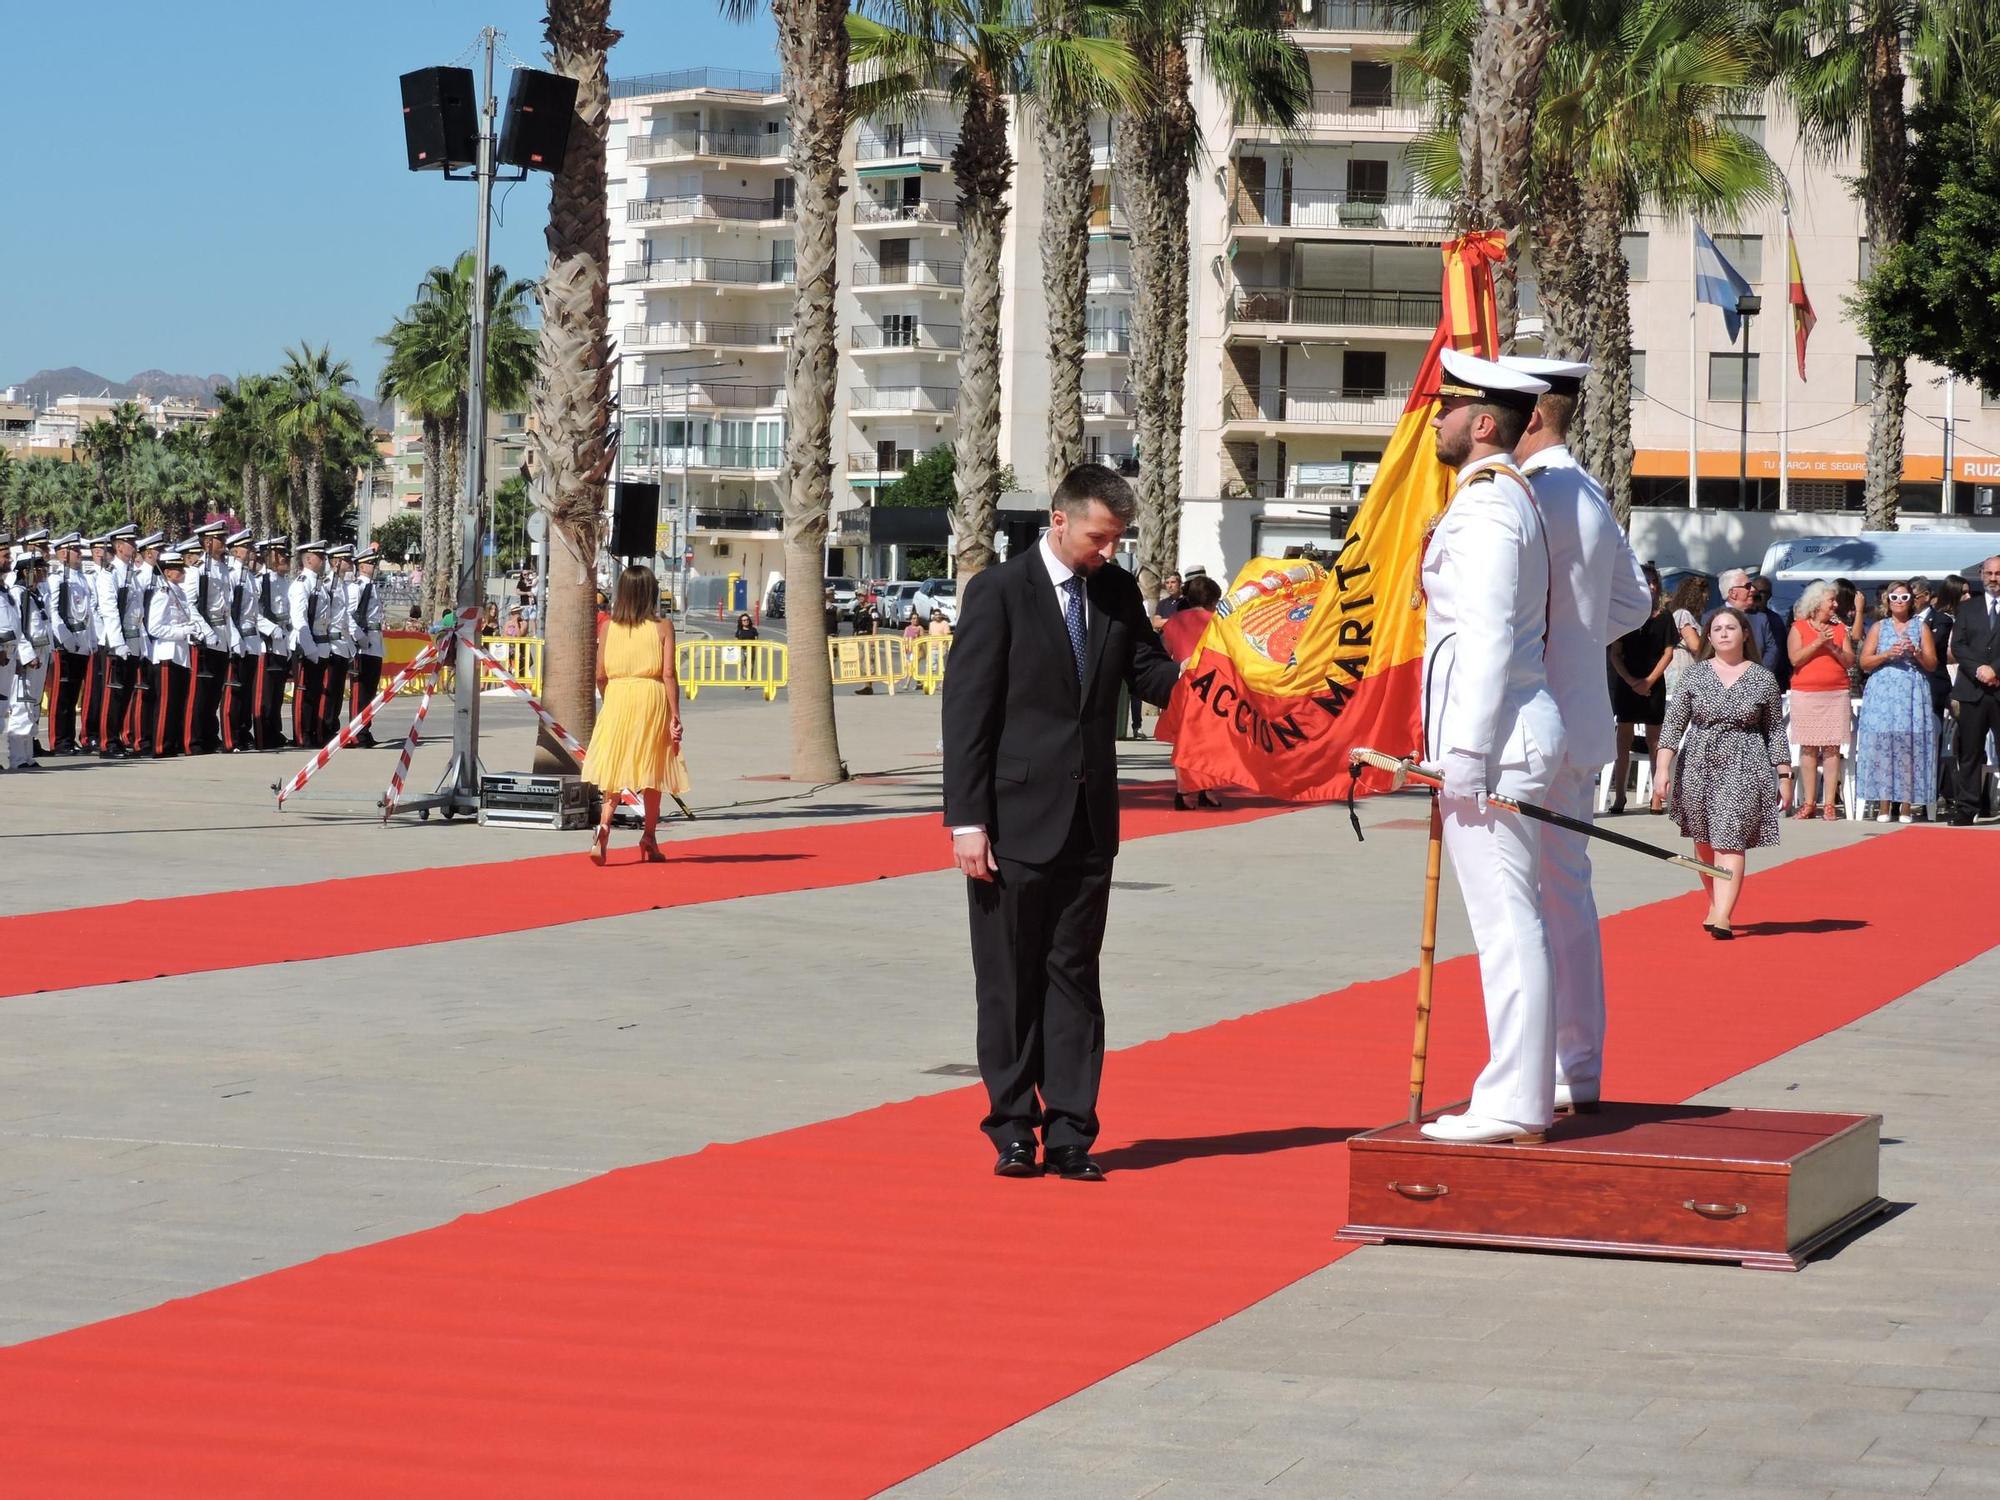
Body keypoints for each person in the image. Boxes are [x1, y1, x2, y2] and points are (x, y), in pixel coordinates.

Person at [942, 464, 1183, 1181]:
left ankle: (1073, 1133)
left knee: (1076, 979)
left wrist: (1212, 673)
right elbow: (968, 717)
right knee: (1009, 980)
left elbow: (1147, 672)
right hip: (1010, 822)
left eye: (1117, 539)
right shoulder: (998, 594)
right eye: (1098, 537)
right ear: (1059, 520)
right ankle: (1013, 1129)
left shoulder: (1112, 591)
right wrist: (967, 821)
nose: (1108, 552)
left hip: (1088, 821)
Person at [1405, 351, 1564, 1145]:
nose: (1435, 419)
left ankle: (1514, 1100)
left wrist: (1463, 753)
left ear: (1485, 423)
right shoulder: (1486, 498)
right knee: (1509, 920)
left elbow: (1490, 637)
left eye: (1447, 408)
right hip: (1496, 737)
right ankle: (1519, 1091)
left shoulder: (1490, 506)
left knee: (1508, 924)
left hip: (1496, 743)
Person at [1503, 354, 1655, 1115]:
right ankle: (1577, 1067)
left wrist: (1551, 637)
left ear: (1530, 415)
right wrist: (1577, 636)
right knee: (1566, 897)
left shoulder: (1530, 494)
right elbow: (1632, 602)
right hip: (1579, 715)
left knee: (1519, 903)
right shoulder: (1586, 490)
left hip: (1530, 722)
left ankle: (1532, 1074)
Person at [1655, 607, 1789, 938]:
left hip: (1745, 763)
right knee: (1703, 839)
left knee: (1729, 838)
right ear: (1709, 637)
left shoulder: (1762, 678)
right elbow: (1673, 725)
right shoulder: (1694, 676)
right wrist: (1661, 768)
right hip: (1698, 764)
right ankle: (1716, 901)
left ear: (1745, 633)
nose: (1724, 633)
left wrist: (1784, 775)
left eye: (1731, 627)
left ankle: (1725, 915)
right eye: (1717, 629)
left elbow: (1774, 730)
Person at [582, 564, 687, 866]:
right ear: (651, 593)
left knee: (615, 763)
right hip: (651, 696)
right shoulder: (662, 627)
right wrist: (675, 715)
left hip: (617, 697)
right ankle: (649, 837)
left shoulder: (608, 627)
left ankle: (604, 824)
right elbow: (668, 674)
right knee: (652, 768)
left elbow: (600, 675)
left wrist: (610, 700)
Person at [1855, 580, 1938, 822]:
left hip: (1910, 691)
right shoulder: (1878, 628)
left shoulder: (1920, 627)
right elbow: (1864, 662)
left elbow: (1932, 664)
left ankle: (1905, 806)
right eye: (1895, 597)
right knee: (1883, 745)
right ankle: (1883, 805)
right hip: (1883, 692)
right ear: (1887, 601)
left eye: (1904, 597)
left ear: (1911, 601)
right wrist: (1886, 654)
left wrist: (1916, 653)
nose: (1899, 602)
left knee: (1907, 746)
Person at [1787, 579, 1856, 820]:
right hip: (1806, 693)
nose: (1835, 605)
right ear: (1817, 603)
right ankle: (1808, 803)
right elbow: (1795, 659)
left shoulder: (1839, 629)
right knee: (1807, 747)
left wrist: (1833, 647)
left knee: (1831, 748)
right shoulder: (1798, 628)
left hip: (1835, 693)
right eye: (1831, 600)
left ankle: (1828, 804)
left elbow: (1849, 661)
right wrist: (1818, 642)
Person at [1606, 566, 1673, 814]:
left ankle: (1657, 796)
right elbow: (1615, 653)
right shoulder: (1625, 614)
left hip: (1653, 683)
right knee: (1623, 739)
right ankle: (1620, 795)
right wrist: (1632, 681)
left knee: (1655, 740)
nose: (1652, 586)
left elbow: (1668, 652)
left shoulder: (1665, 617)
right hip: (1627, 681)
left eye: (1654, 581)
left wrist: (1648, 681)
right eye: (1647, 581)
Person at [1158, 572, 1224, 810]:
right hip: (1211, 687)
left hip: (1181, 685)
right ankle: (1207, 789)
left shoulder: (1174, 621)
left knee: (1183, 742)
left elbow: (1164, 652)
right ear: (1212, 600)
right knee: (1210, 740)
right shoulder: (1216, 622)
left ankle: (1183, 791)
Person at [1947, 555, 2000, 825]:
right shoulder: (1968, 609)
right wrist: (1979, 669)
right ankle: (1967, 808)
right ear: (1981, 575)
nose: (1993, 578)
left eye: (1998, 573)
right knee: (1969, 753)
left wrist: (1995, 670)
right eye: (1989, 573)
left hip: (1999, 689)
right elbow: (1959, 645)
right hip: (1971, 690)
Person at [146, 548, 208, 757]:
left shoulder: (178, 592)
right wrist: (182, 632)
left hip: (181, 654)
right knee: (165, 703)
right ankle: (160, 746)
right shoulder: (162, 593)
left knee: (177, 702)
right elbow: (154, 627)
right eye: (177, 568)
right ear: (168, 572)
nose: (182, 571)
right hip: (167, 653)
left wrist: (193, 631)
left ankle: (172, 743)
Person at [254, 537, 295, 750]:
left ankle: (274, 731)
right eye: (280, 555)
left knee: (277, 692)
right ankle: (262, 736)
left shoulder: (283, 581)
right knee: (264, 694)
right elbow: (253, 613)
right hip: (265, 642)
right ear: (269, 556)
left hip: (281, 640)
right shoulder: (260, 581)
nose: (285, 559)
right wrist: (271, 630)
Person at [289, 540, 332, 746]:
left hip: (320, 644)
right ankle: (302, 734)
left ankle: (313, 731)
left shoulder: (318, 583)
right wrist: (310, 649)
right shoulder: (302, 583)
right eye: (319, 557)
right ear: (308, 559)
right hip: (308, 646)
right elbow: (299, 620)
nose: (323, 560)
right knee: (304, 694)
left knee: (316, 693)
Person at [1711, 568, 1784, 678]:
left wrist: (1759, 675)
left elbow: (1772, 648)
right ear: (1733, 593)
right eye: (1748, 586)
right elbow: (1708, 652)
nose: (1753, 590)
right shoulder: (1711, 618)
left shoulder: (1761, 618)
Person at [223, 530, 260, 752]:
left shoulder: (250, 576)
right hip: (238, 636)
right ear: (236, 551)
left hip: (251, 638)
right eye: (247, 548)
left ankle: (244, 733)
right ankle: (231, 737)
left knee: (246, 691)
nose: (251, 552)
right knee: (234, 691)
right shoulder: (233, 575)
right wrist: (235, 638)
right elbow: (230, 611)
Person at [348, 548, 386, 747]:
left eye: (374, 563)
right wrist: (360, 639)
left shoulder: (372, 587)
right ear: (361, 566)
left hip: (375, 642)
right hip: (363, 645)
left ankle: (365, 729)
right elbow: (349, 616)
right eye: (370, 563)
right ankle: (355, 732)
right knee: (360, 691)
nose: (374, 567)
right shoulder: (357, 588)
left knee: (370, 691)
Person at [1662, 574, 1708, 708]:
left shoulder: (1677, 614)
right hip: (1681, 673)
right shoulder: (1684, 615)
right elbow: (1695, 646)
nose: (1707, 599)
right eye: (1706, 595)